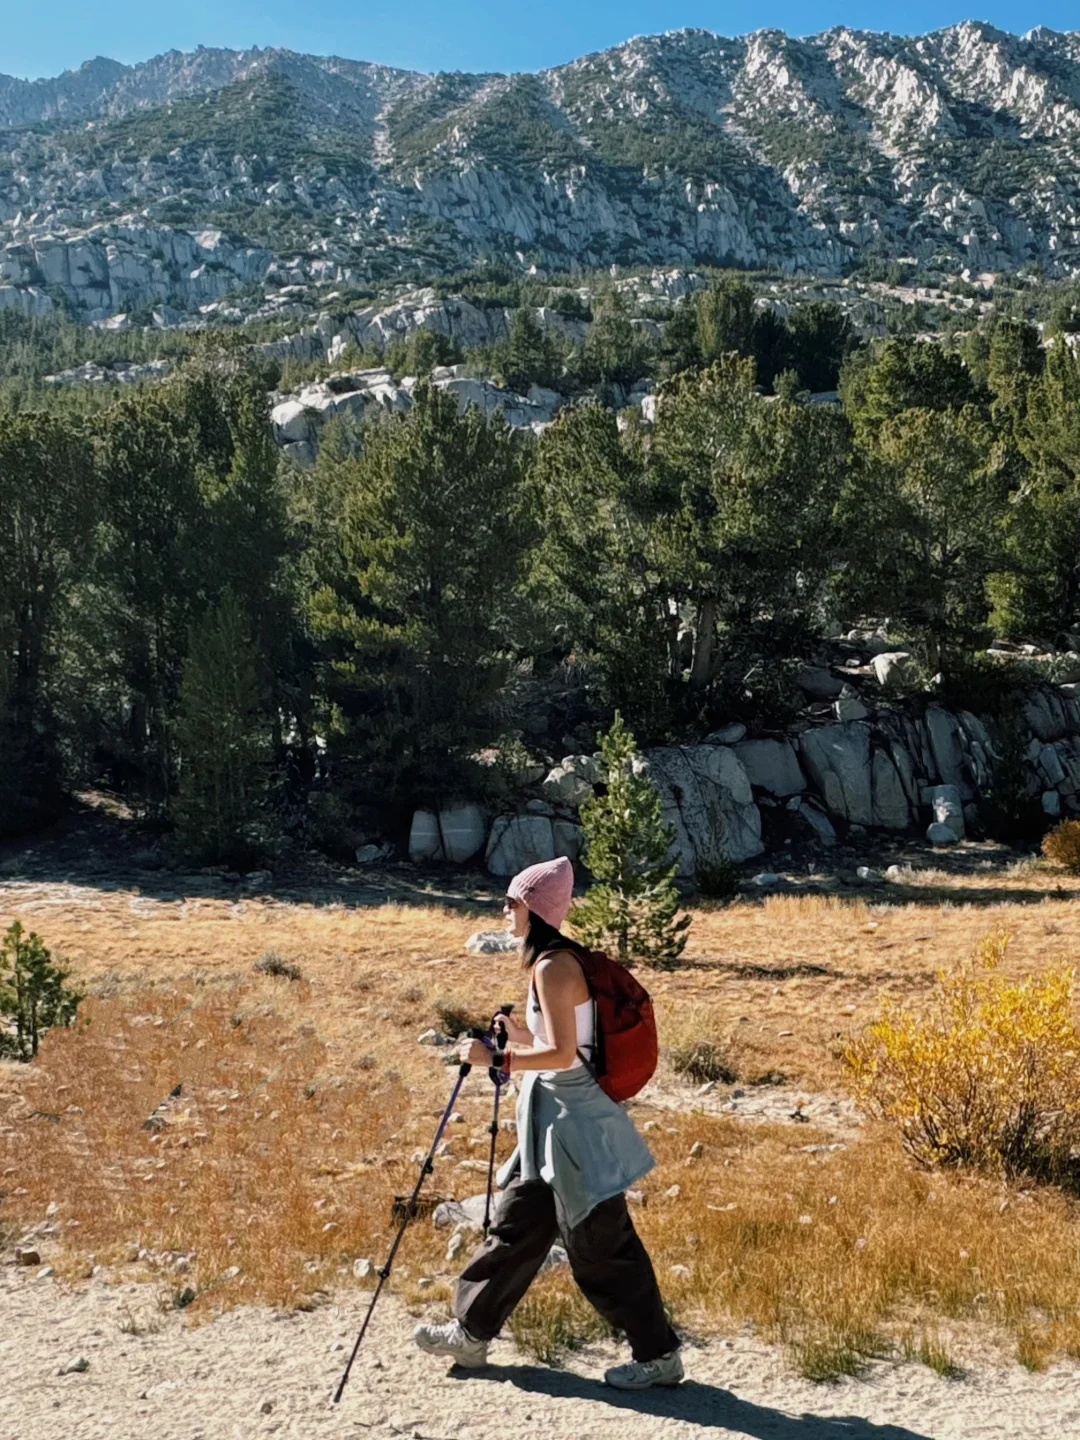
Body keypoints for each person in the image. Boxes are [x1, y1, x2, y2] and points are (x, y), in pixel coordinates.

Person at [413, 856, 683, 1390]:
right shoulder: (550, 963)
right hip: (550, 1123)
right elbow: (565, 1043)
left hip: (574, 1123)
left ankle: (659, 1358)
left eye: (512, 901)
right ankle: (471, 1334)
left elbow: (562, 1055)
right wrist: (514, 1034)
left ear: (534, 908)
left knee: (601, 1244)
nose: (505, 909)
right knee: (516, 1229)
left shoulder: (555, 967)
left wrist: (498, 1062)